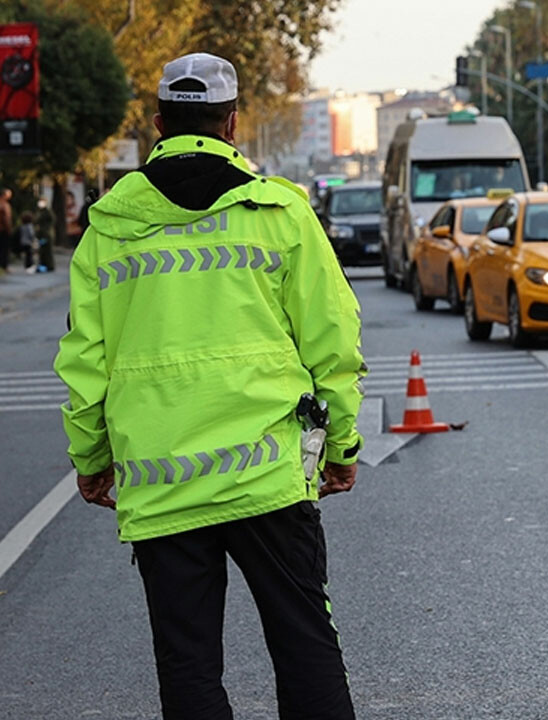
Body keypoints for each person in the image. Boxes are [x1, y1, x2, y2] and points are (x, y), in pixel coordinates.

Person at [54, 53, 365, 720]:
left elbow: (85, 363)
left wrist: (91, 460)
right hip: (270, 478)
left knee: (188, 667)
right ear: (231, 123)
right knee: (305, 644)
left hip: (164, 483)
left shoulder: (108, 226)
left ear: (160, 122)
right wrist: (341, 442)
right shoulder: (278, 211)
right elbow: (333, 338)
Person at [34, 198, 54, 271]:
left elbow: (52, 221)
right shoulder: (39, 211)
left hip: (46, 234)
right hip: (41, 234)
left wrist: (46, 230)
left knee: (47, 251)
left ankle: (49, 266)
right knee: (42, 251)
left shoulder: (47, 212)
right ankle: (43, 266)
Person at [0, 187, 13, 270]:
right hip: (3, 229)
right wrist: (8, 229)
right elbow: (6, 218)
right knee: (4, 248)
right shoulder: (4, 204)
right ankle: (4, 265)